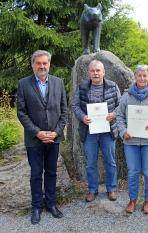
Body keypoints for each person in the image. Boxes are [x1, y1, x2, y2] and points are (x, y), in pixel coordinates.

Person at [16, 50, 67, 224]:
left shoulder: (58, 83)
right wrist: (37, 132)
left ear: (49, 64)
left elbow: (64, 112)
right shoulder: (23, 84)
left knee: (52, 172)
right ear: (33, 65)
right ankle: (36, 207)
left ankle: (51, 204)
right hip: (34, 139)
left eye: (45, 63)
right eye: (38, 63)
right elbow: (21, 113)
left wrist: (57, 132)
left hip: (54, 137)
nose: (42, 66)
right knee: (36, 174)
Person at [116, 64, 148, 214]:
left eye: (145, 75)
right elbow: (119, 115)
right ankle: (132, 199)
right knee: (133, 171)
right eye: (139, 75)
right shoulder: (127, 95)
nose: (142, 78)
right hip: (130, 141)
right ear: (135, 77)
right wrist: (123, 131)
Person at [73, 60, 121, 202]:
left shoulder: (113, 86)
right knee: (90, 163)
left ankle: (111, 189)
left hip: (108, 131)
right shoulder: (82, 87)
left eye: (98, 70)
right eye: (92, 70)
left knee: (110, 161)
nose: (95, 73)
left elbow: (121, 105)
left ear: (103, 72)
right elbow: (75, 106)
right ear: (89, 73)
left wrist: (113, 114)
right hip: (89, 131)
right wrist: (83, 117)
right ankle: (92, 190)